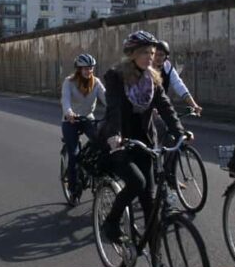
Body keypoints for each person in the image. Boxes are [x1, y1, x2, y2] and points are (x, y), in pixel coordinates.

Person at [100, 30, 190, 243]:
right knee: (136, 183)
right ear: (132, 54)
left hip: (145, 142)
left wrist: (180, 132)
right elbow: (113, 109)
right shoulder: (116, 76)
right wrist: (114, 135)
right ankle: (111, 223)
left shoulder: (153, 79)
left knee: (149, 201)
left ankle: (157, 258)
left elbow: (166, 109)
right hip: (120, 143)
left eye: (152, 52)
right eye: (144, 53)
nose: (150, 57)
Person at [61, 53, 107, 202]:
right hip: (71, 121)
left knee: (101, 142)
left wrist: (115, 110)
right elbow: (65, 100)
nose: (89, 71)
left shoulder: (96, 83)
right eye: (85, 68)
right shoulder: (69, 82)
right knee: (74, 154)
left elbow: (106, 98)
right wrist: (69, 113)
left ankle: (90, 168)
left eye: (91, 68)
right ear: (78, 69)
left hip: (87, 118)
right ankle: (73, 188)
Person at [154, 40, 202, 116]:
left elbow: (178, 85)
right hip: (144, 107)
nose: (157, 57)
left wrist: (194, 105)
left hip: (160, 106)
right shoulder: (146, 67)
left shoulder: (168, 68)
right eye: (155, 54)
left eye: (161, 55)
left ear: (166, 56)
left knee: (174, 125)